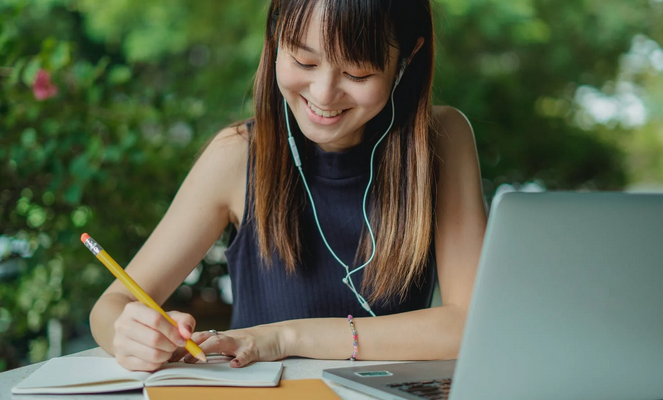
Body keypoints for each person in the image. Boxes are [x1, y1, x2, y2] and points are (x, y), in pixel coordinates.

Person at [89, 0, 487, 372]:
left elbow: (468, 324)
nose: (324, 94)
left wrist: (283, 337)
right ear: (276, 36)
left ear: (408, 57)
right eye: (303, 60)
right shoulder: (238, 155)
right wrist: (130, 335)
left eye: (357, 73)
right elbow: (111, 306)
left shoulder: (442, 141)